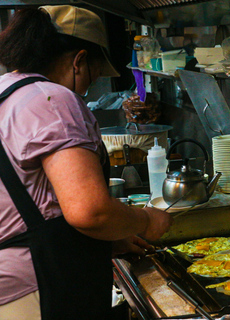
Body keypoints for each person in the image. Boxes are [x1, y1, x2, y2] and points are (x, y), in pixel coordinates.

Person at [0, 5, 173, 320]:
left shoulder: (6, 92)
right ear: (78, 61)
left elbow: (30, 201)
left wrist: (108, 238)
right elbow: (89, 211)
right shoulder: (54, 99)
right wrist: (147, 220)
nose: (87, 87)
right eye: (93, 75)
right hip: (37, 288)